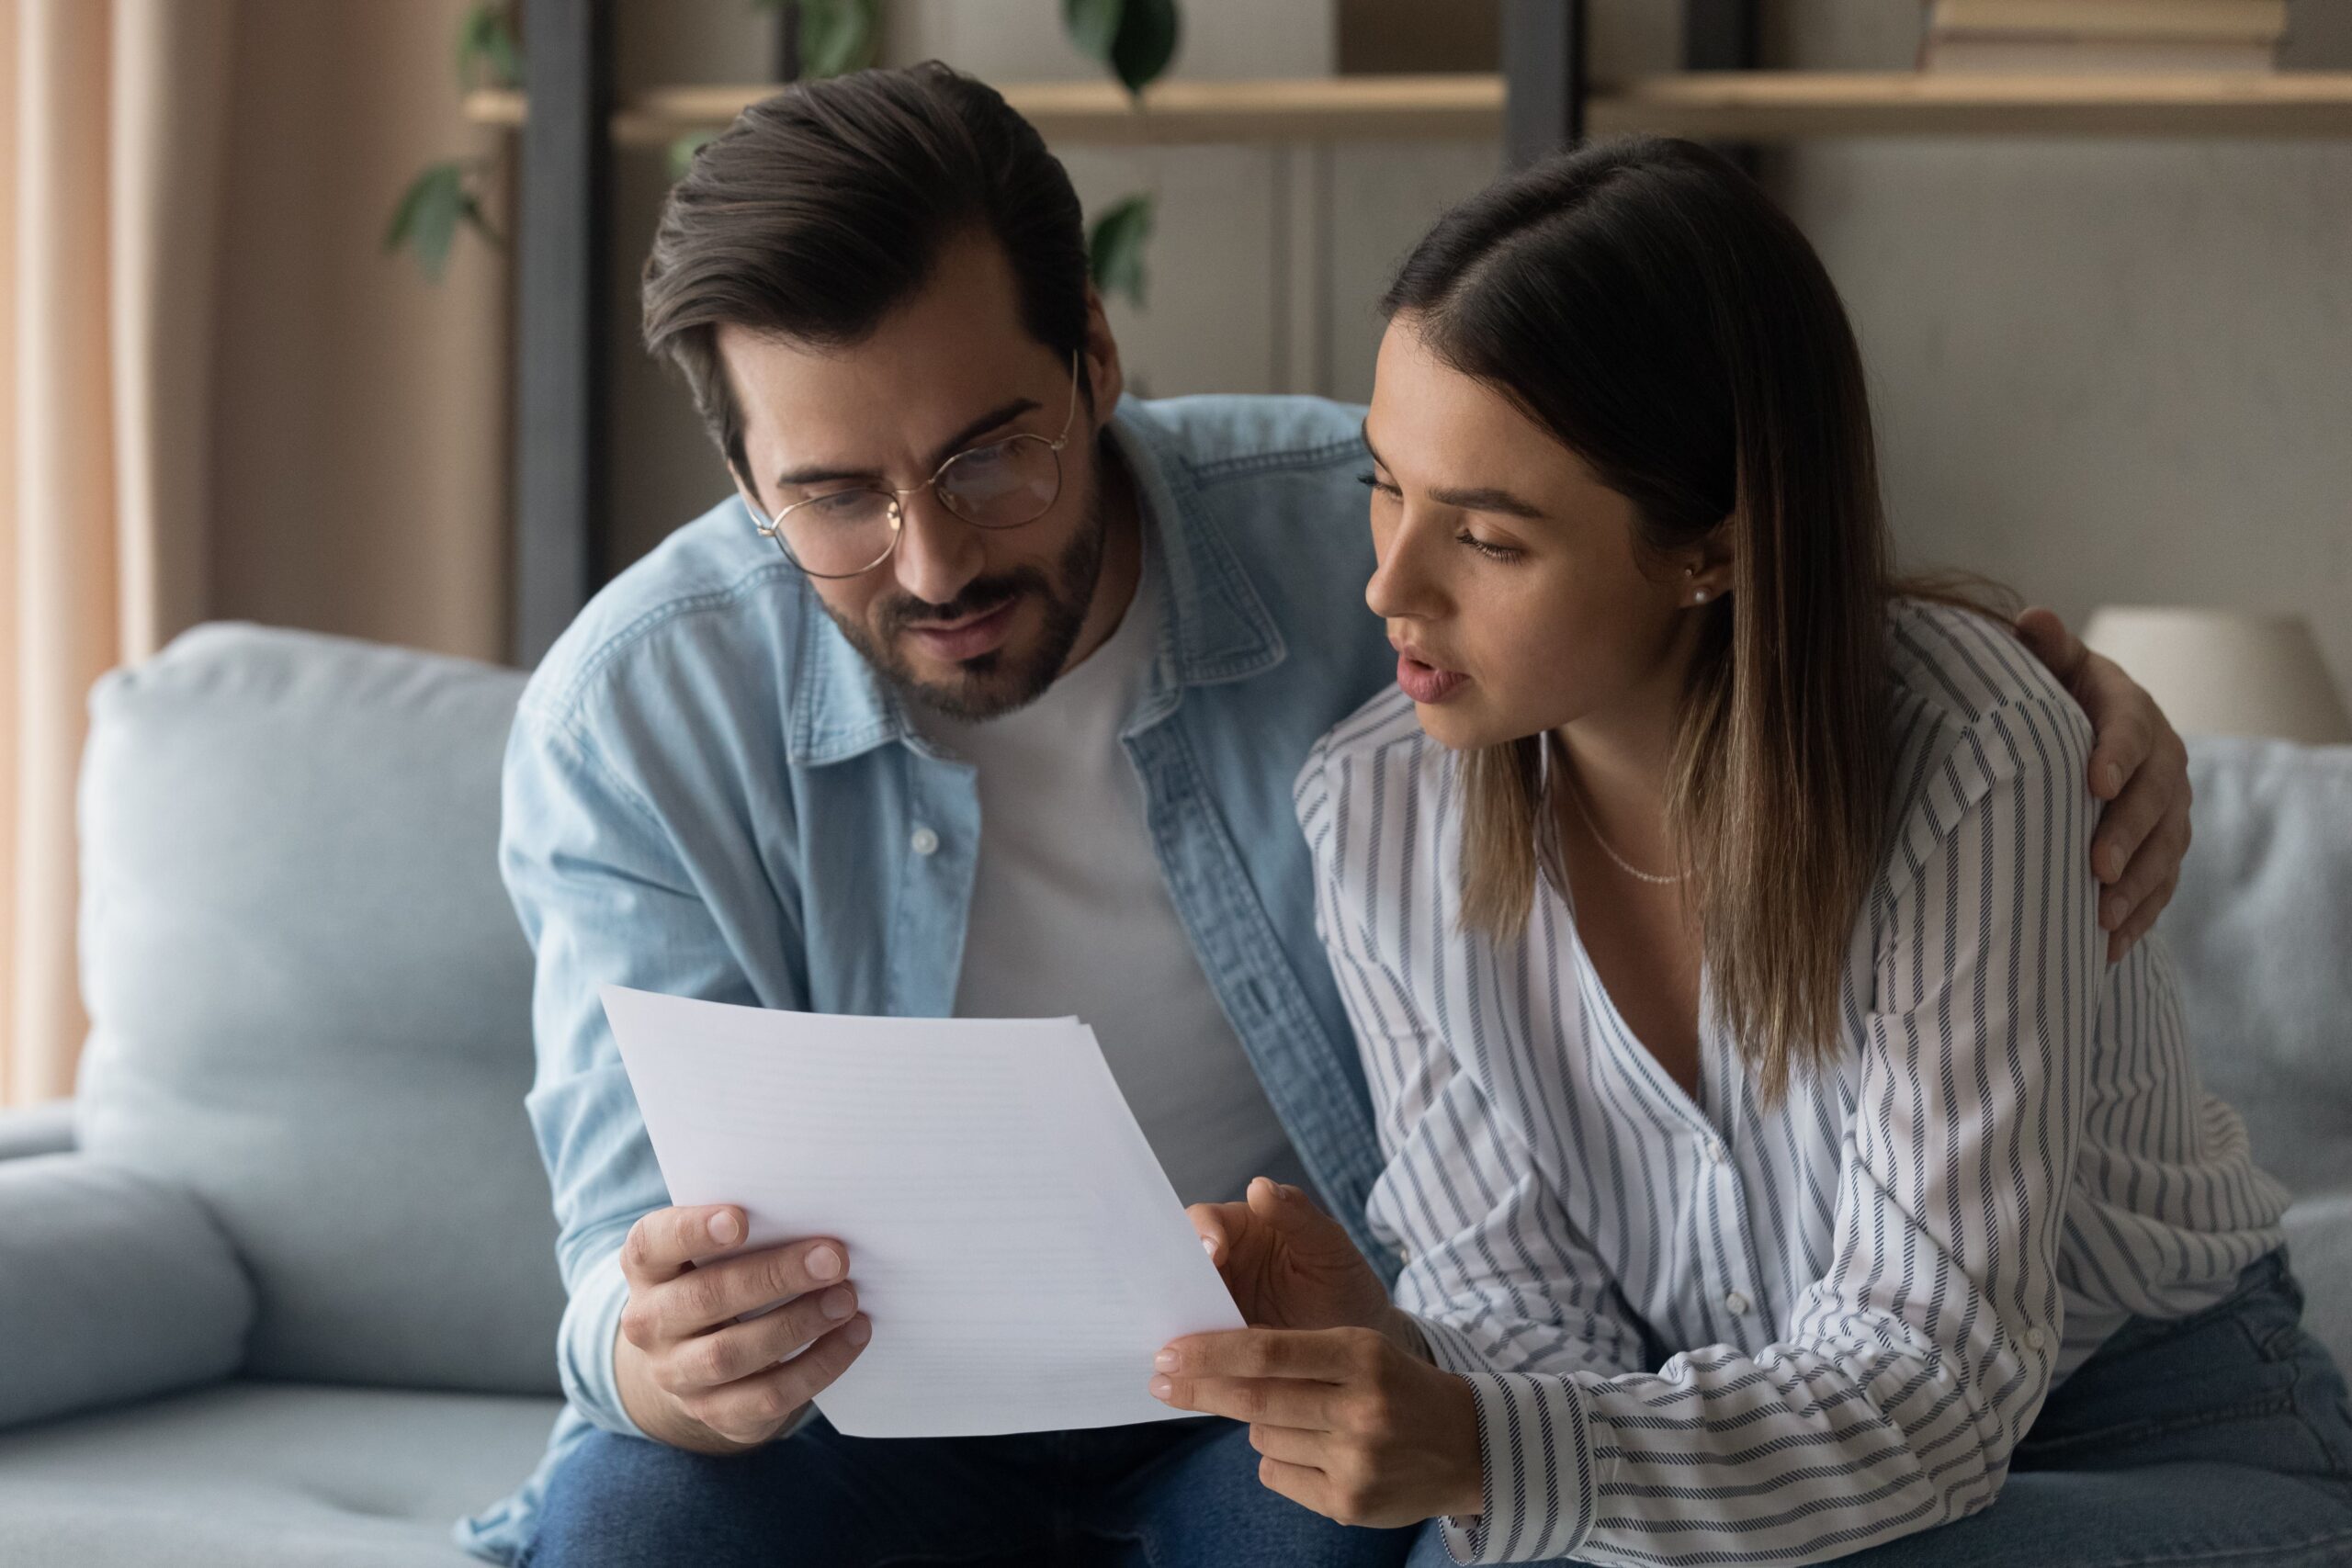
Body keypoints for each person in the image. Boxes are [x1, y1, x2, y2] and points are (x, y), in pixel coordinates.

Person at [464, 66, 2200, 1568]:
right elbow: (612, 1267)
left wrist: (2034, 686)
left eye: (993, 453)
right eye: (834, 496)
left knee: (1388, 1520)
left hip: (1275, 1377)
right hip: (867, 1416)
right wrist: (658, 1352)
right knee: (624, 1525)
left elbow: (1700, 561)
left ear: (1094, 354)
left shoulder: (1348, 531)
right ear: (748, 483)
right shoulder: (633, 716)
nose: (935, 560)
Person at [1145, 136, 2352, 1566]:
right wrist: (1405, 1353)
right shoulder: (1379, 812)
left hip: (2154, 1444)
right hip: (1758, 1468)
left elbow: (1932, 1378)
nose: (1388, 581)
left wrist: (1487, 1446)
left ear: (1708, 548)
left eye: (1487, 536)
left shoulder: (1974, 759)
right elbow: (1533, 1325)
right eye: (1386, 485)